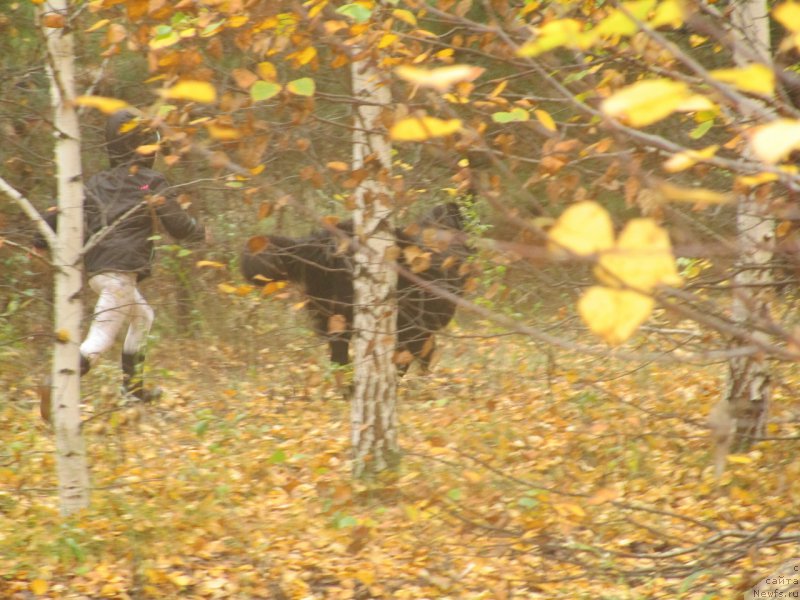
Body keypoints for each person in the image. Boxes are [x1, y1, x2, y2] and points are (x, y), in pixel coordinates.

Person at [36, 109, 206, 411]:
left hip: (98, 271)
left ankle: (133, 389)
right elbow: (177, 224)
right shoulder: (150, 181)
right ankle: (57, 382)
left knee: (143, 317)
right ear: (143, 144)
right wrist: (198, 231)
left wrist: (39, 241)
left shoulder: (95, 183)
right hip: (121, 272)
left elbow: (56, 212)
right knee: (100, 337)